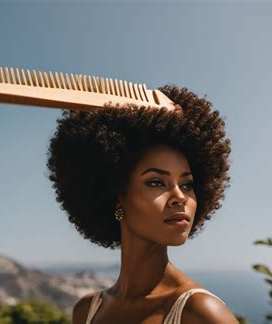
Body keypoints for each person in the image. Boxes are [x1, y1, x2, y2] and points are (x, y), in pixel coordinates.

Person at [46, 85, 238, 323]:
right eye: (157, 182)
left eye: (187, 185)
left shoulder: (201, 313)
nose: (180, 196)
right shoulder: (87, 311)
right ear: (117, 193)